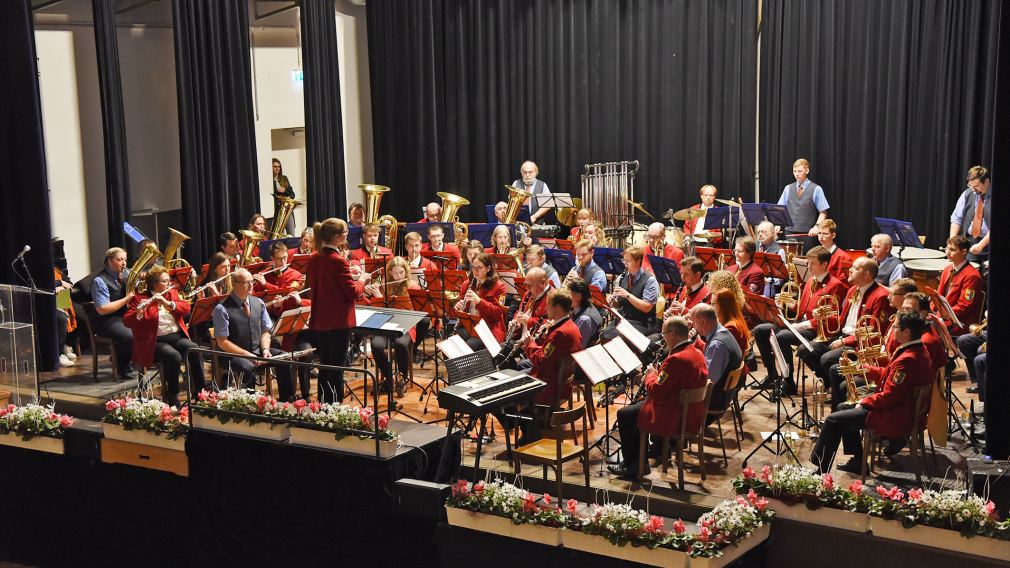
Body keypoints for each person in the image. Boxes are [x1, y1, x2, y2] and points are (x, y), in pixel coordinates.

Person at [810, 311, 932, 474]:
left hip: (894, 415)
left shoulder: (907, 359)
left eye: (895, 327)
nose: (892, 330)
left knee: (833, 420)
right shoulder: (916, 349)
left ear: (906, 332)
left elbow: (890, 396)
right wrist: (862, 369)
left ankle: (820, 469)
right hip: (899, 408)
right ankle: (858, 461)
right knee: (842, 408)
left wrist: (863, 402)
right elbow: (889, 375)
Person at [609, 316, 708, 478]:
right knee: (634, 410)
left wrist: (650, 375)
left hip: (675, 415)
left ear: (674, 334)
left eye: (664, 334)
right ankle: (635, 461)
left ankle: (634, 465)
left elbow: (656, 390)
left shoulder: (676, 359)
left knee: (625, 414)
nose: (663, 338)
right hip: (690, 411)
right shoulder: (696, 352)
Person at [752, 246, 847, 394]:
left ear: (824, 264)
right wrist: (789, 303)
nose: (808, 267)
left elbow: (829, 318)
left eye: (812, 263)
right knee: (760, 330)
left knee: (782, 337)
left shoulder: (835, 285)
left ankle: (788, 382)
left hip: (816, 330)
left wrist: (798, 326)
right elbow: (801, 310)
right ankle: (773, 376)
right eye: (808, 263)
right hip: (801, 324)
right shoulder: (810, 281)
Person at [800, 257, 893, 385]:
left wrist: (845, 340)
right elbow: (842, 321)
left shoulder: (880, 296)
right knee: (805, 349)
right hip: (841, 336)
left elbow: (873, 333)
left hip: (857, 344)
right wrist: (824, 317)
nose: (850, 270)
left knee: (827, 359)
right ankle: (830, 385)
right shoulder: (852, 290)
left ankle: (843, 389)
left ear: (867, 275)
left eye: (855, 268)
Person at [307, 218, 369, 403]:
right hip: (338, 322)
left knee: (325, 366)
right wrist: (363, 279)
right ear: (336, 237)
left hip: (320, 320)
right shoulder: (338, 261)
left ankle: (324, 407)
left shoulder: (313, 258)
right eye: (345, 233)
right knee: (337, 367)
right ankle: (335, 406)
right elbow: (352, 292)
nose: (347, 235)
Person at [212, 268, 296, 401]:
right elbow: (222, 342)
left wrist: (266, 350)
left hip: (257, 350)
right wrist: (248, 355)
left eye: (252, 281)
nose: (252, 285)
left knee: (284, 358)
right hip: (233, 355)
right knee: (248, 367)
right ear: (235, 284)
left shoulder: (258, 302)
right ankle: (251, 404)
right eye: (247, 282)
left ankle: (288, 400)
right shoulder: (221, 309)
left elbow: (265, 331)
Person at [123, 267, 203, 403]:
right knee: (173, 356)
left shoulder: (171, 293)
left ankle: (201, 392)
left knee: (194, 349)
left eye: (169, 280)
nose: (170, 283)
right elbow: (127, 321)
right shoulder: (140, 298)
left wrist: (168, 304)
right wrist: (139, 313)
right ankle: (173, 394)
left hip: (176, 337)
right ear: (154, 284)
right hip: (154, 342)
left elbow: (186, 308)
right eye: (165, 281)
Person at [368, 256, 424, 398]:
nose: (398, 276)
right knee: (376, 345)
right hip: (386, 325)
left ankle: (402, 378)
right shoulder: (386, 286)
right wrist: (378, 296)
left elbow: (414, 311)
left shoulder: (413, 286)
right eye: (395, 273)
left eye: (401, 273)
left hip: (406, 325)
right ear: (390, 273)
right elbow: (378, 311)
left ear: (406, 272)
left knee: (400, 344)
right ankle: (389, 377)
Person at [690, 303, 742, 425]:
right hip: (724, 396)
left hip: (712, 403)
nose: (694, 326)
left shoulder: (717, 344)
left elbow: (707, 381)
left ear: (703, 322)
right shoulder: (724, 332)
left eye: (694, 322)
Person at [91, 247, 136, 379]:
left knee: (147, 325)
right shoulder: (99, 281)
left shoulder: (126, 275)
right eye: (119, 259)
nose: (124, 263)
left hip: (121, 317)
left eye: (125, 260)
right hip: (105, 320)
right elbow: (102, 309)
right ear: (109, 261)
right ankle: (122, 366)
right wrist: (127, 299)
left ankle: (127, 357)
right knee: (130, 335)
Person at [601, 246, 659, 338]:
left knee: (616, 337)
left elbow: (646, 307)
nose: (625, 264)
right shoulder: (622, 277)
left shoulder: (650, 281)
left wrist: (627, 295)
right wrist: (613, 302)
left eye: (629, 261)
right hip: (625, 318)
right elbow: (619, 304)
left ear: (638, 261)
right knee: (604, 335)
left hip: (644, 321)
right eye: (624, 260)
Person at [454, 252, 508, 350]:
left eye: (479, 268)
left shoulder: (499, 286)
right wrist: (458, 306)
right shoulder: (467, 284)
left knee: (467, 347)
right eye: (473, 267)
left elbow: (497, 312)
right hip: (469, 326)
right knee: (450, 345)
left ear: (488, 268)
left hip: (487, 329)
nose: (475, 271)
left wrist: (479, 301)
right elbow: (460, 305)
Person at [778, 158, 830, 253]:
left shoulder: (816, 189)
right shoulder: (788, 188)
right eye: (794, 171)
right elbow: (780, 209)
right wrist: (777, 224)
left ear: (807, 170)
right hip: (789, 232)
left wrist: (817, 226)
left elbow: (823, 212)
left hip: (808, 234)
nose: (797, 174)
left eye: (800, 171)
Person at [937, 235, 984, 335]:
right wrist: (932, 311)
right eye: (947, 249)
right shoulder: (947, 269)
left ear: (964, 252)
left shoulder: (972, 276)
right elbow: (938, 296)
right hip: (944, 316)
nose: (948, 252)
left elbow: (963, 307)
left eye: (952, 250)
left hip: (959, 322)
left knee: (924, 326)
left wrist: (941, 315)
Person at [949, 165, 991, 262]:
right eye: (970, 186)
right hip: (971, 242)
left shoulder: (999, 196)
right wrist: (953, 241)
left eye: (976, 186)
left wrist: (981, 245)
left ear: (986, 182)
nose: (973, 190)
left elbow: (998, 227)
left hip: (991, 244)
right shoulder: (967, 194)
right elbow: (956, 218)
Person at [512, 161, 555, 225]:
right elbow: (512, 202)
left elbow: (547, 205)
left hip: (537, 223)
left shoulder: (542, 185)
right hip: (518, 223)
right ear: (521, 172)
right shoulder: (516, 183)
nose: (527, 175)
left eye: (530, 172)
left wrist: (535, 216)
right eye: (525, 172)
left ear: (536, 172)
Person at [712, 288, 750, 355]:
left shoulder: (731, 328)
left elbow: (717, 353)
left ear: (723, 306)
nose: (711, 307)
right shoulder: (731, 321)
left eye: (713, 304)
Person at [567, 277, 601, 349]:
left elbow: (577, 347)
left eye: (567, 294)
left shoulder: (585, 320)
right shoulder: (576, 307)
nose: (564, 296)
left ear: (578, 296)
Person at [756, 221, 786, 296]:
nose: (760, 234)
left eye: (763, 232)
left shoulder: (779, 250)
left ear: (773, 233)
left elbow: (781, 279)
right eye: (758, 232)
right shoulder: (754, 247)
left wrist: (768, 280)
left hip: (770, 285)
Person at [270, 158, 296, 236]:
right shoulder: (268, 179)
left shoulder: (284, 178)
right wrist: (279, 191)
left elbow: (292, 194)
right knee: (278, 235)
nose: (277, 168)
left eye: (279, 167)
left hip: (287, 209)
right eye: (274, 166)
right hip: (276, 211)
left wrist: (286, 194)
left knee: (291, 234)